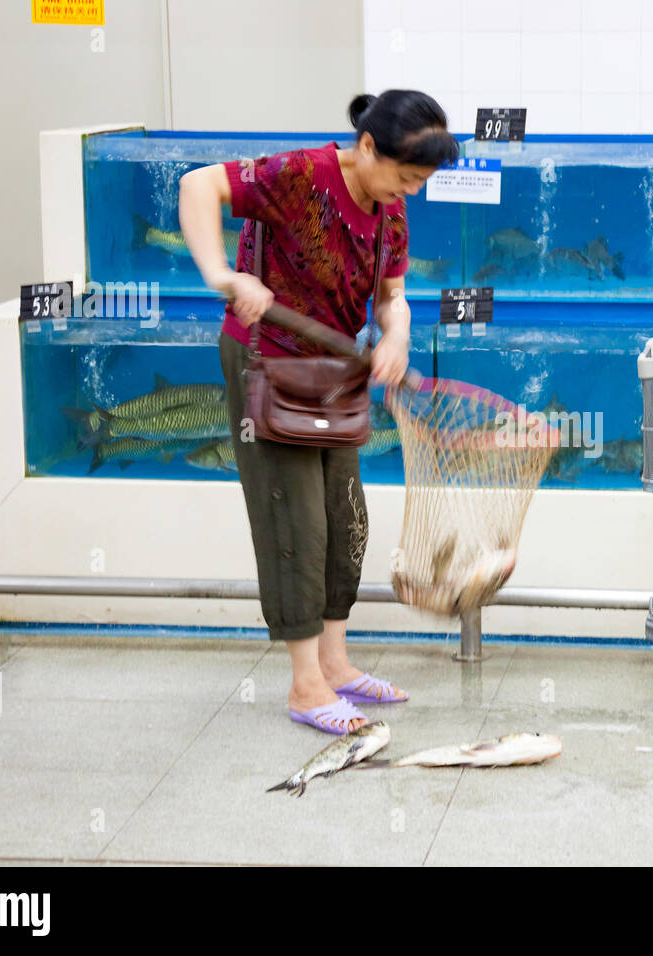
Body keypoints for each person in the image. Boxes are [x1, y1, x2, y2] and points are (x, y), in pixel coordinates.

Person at [178, 90, 459, 734]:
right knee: (294, 519)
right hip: (266, 361)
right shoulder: (301, 174)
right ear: (367, 148)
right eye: (406, 177)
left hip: (334, 370)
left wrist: (396, 336)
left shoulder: (389, 209)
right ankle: (305, 686)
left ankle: (333, 664)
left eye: (420, 183)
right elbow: (198, 188)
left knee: (344, 517)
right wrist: (225, 274)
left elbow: (393, 296)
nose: (409, 193)